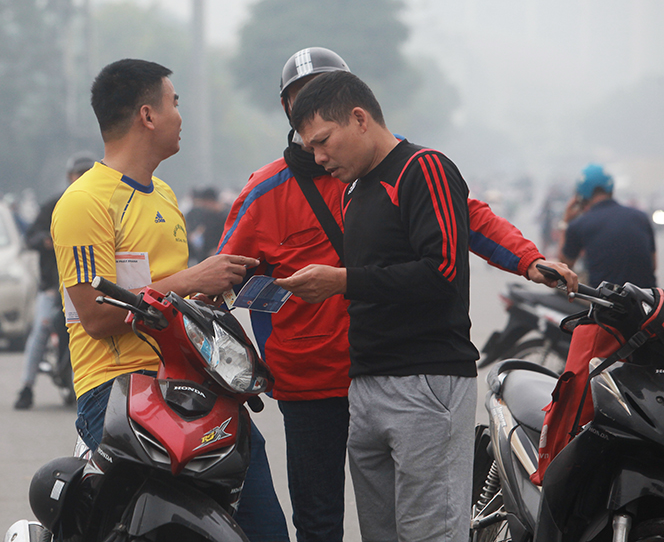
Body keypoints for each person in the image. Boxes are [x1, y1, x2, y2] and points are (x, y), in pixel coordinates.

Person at [217, 47, 576, 542]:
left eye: (323, 101)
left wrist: (528, 260)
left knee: (423, 521)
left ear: (354, 110)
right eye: (302, 107)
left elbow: (468, 220)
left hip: (396, 369)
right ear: (289, 115)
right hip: (311, 382)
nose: (313, 123)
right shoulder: (265, 191)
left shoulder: (398, 167)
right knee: (322, 520)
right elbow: (225, 276)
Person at [50, 58, 289, 542]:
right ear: (147, 115)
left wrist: (203, 289)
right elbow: (95, 315)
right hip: (121, 391)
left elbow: (166, 294)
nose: (180, 115)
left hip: (195, 380)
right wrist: (189, 279)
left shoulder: (162, 194)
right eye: (174, 103)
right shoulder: (84, 202)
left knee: (263, 527)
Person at [275, 70, 480, 542]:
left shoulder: (423, 169)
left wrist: (342, 282)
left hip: (426, 381)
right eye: (311, 150)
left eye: (324, 142)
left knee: (430, 533)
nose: (320, 158)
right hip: (366, 382)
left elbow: (442, 271)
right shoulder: (355, 189)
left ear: (360, 118)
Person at [531, 163, 657, 484]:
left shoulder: (581, 223)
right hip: (648, 316)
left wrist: (569, 221)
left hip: (607, 318)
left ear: (583, 194)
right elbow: (652, 264)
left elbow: (564, 270)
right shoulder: (639, 216)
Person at [15, 152, 96, 410]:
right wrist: (46, 241)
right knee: (40, 329)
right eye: (78, 174)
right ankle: (27, 387)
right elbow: (31, 237)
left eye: (87, 173)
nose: (82, 178)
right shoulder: (53, 206)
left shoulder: (101, 206)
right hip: (53, 288)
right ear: (69, 177)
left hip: (85, 287)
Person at [185, 186, 229, 265]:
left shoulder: (226, 216)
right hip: (206, 256)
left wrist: (219, 249)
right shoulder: (207, 215)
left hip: (220, 256)